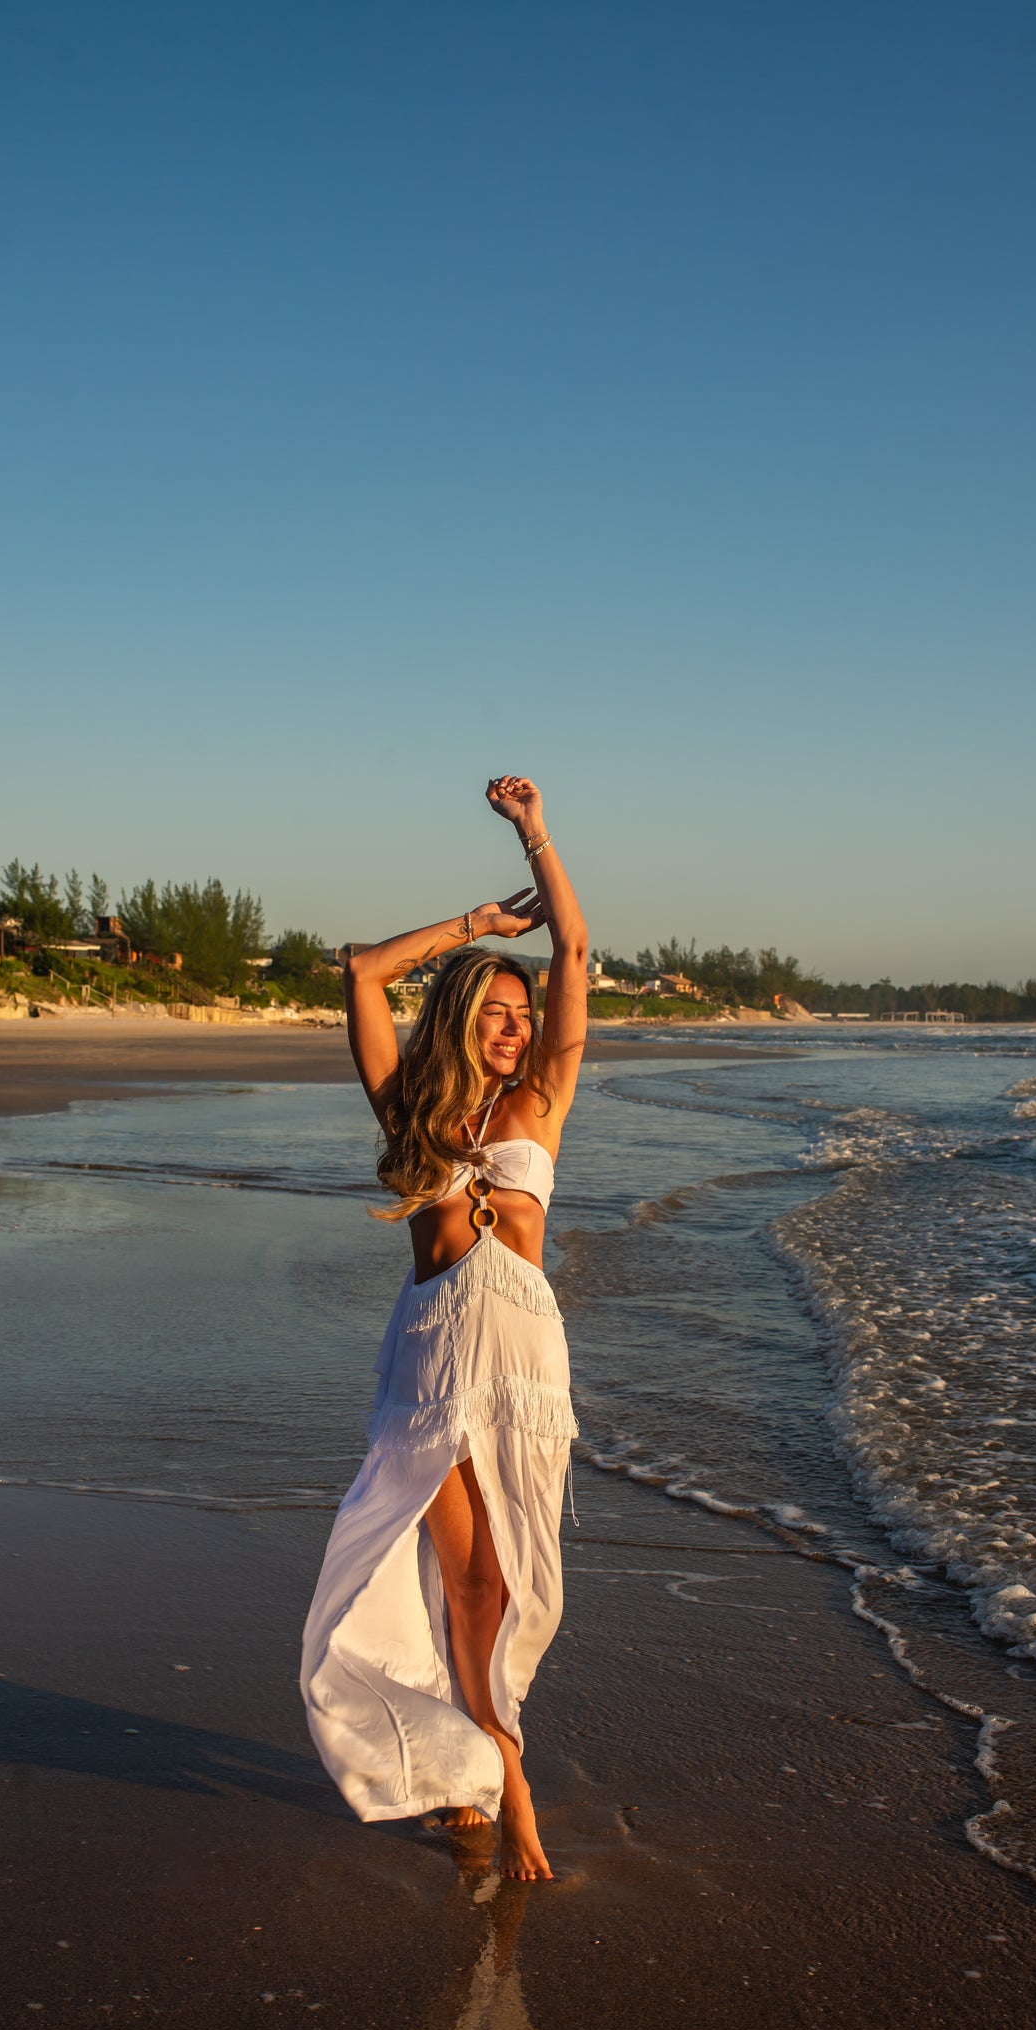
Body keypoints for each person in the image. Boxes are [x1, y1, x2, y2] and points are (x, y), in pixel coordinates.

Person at [300, 775, 588, 1880]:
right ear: (465, 1012)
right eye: (497, 1012)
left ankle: (471, 1749)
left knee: (509, 1584)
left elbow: (571, 948)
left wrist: (536, 835)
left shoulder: (542, 1100)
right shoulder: (406, 1099)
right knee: (465, 1581)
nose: (517, 1029)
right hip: (428, 1355)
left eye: (525, 1016)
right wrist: (477, 921)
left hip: (519, 1353)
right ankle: (510, 1788)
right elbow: (363, 971)